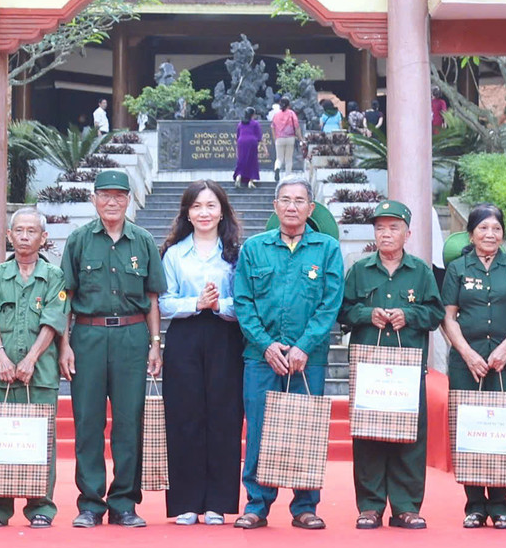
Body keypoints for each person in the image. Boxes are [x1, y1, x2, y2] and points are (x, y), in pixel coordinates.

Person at [233, 176, 344, 530]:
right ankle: (256, 503)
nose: (292, 206)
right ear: (275, 206)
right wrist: (265, 344)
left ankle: (305, 505)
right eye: (285, 200)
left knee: (305, 428)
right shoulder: (254, 248)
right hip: (260, 356)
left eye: (299, 200)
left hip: (307, 359)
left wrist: (303, 346)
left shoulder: (326, 249)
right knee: (259, 429)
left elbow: (330, 305)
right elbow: (243, 302)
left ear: (311, 208)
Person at [58, 169, 167, 528]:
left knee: (128, 421)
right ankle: (90, 502)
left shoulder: (143, 241)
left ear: (129, 200)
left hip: (132, 339)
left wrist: (155, 344)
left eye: (119, 196)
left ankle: (124, 502)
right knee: (87, 420)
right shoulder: (78, 241)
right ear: (94, 199)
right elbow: (66, 298)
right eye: (105, 195)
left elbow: (152, 298)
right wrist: (65, 346)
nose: (112, 202)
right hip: (87, 338)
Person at [341, 200, 442, 530]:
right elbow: (343, 312)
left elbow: (435, 313)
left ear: (407, 233)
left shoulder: (421, 271)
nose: (386, 234)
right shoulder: (359, 270)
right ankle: (370, 506)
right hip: (370, 364)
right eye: (380, 228)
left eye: (393, 227)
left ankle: (405, 506)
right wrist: (366, 314)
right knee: (369, 435)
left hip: (407, 368)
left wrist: (408, 315)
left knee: (409, 436)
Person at [440, 202, 506, 529]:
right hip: (467, 360)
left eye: (496, 228)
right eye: (483, 228)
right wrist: (467, 353)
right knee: (470, 429)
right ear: (471, 233)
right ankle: (474, 504)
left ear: (503, 233)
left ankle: (500, 504)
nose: (490, 234)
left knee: (501, 430)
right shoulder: (458, 269)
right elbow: (447, 317)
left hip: (505, 362)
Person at [0, 208, 70, 528]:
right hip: (1, 373)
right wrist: (0, 356)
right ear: (9, 235)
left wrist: (30, 359)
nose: (25, 236)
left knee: (40, 439)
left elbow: (54, 320)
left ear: (43, 238)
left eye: (32, 231)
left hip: (39, 373)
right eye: (20, 230)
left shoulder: (55, 276)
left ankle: (40, 506)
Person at [158, 180, 244, 526]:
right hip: (185, 336)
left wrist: (219, 304)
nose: (204, 212)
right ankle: (186, 501)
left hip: (225, 334)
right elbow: (163, 302)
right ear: (187, 213)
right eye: (197, 207)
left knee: (223, 417)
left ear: (222, 210)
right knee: (184, 416)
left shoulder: (238, 252)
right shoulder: (175, 253)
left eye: (211, 205)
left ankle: (218, 502)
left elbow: (247, 301)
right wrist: (196, 303)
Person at [233, 108, 262, 189]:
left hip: (241, 142)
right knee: (252, 161)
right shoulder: (255, 124)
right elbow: (259, 136)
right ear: (253, 115)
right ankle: (250, 181)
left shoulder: (240, 124)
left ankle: (239, 176)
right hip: (252, 142)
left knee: (242, 160)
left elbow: (238, 136)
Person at [271, 97, 300, 176]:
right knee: (288, 159)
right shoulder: (291, 113)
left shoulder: (276, 115)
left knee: (279, 158)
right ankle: (287, 176)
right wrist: (300, 138)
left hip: (279, 138)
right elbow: (296, 126)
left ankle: (277, 168)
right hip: (290, 138)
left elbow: (272, 127)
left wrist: (275, 139)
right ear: (289, 105)